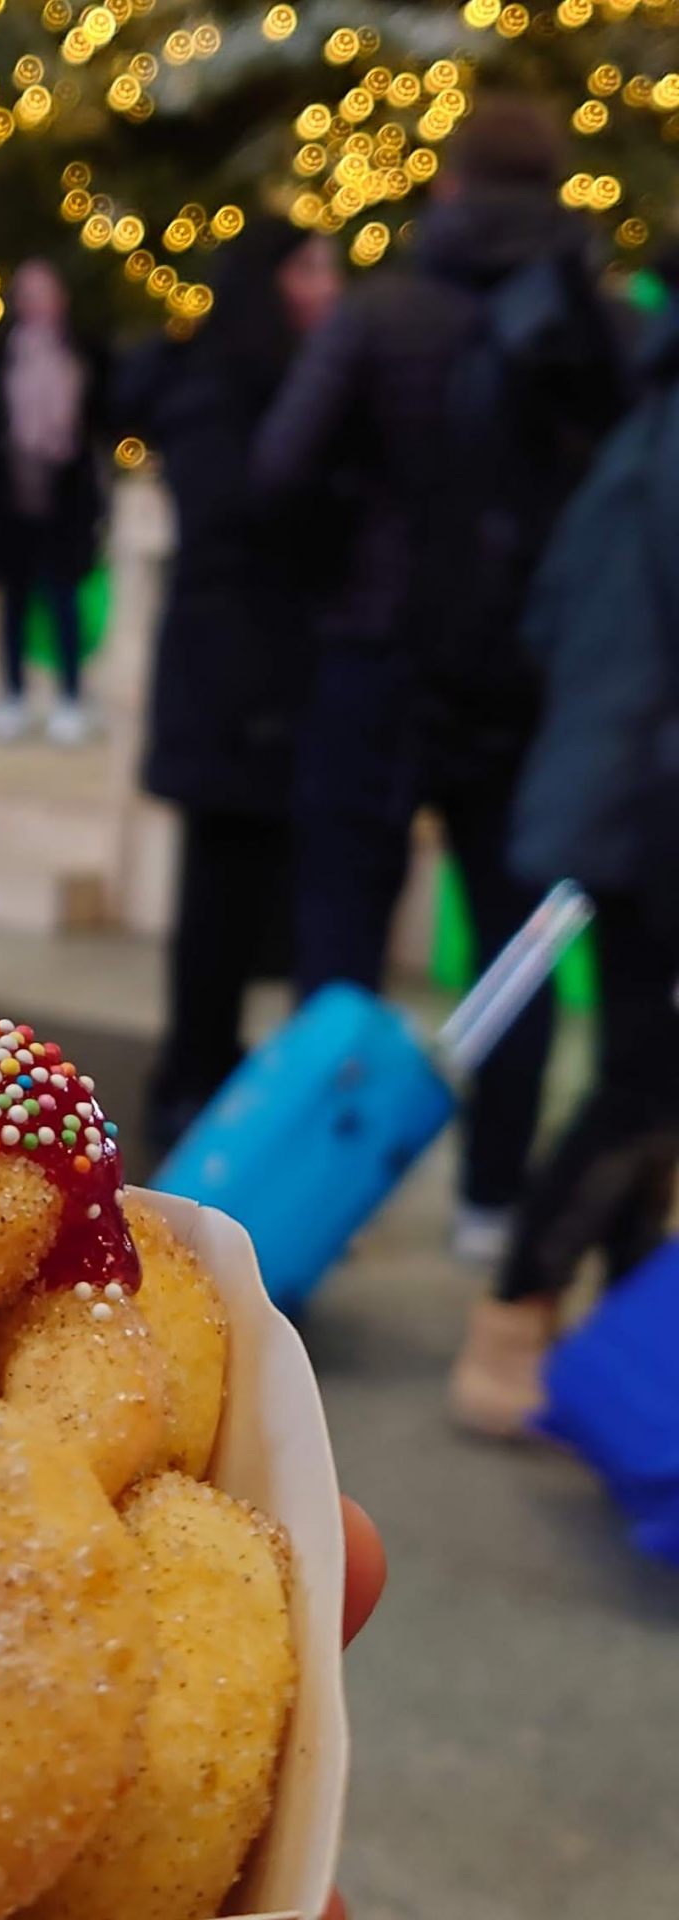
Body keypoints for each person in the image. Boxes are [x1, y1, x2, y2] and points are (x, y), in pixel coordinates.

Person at [254, 95, 625, 1261]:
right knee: (511, 940)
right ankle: (491, 1199)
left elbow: (280, 471)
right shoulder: (601, 327)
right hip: (527, 678)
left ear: (451, 185)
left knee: (341, 927)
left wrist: (343, 567)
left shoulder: (383, 313)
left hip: (375, 657)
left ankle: (313, 1195)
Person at [449, 303, 679, 1436]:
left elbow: (546, 620)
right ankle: (517, 1321)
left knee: (649, 1074)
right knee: (646, 1081)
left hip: (618, 793)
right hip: (648, 807)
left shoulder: (642, 430)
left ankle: (601, 1352)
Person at [130, 220, 343, 1154]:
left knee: (243, 893)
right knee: (217, 896)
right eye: (310, 267)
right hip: (230, 682)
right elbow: (235, 527)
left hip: (257, 679)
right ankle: (191, 1079)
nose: (328, 285)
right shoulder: (220, 392)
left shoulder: (274, 385)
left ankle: (208, 1073)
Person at [0, 260, 103, 746]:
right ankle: (13, 696)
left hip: (65, 504)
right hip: (11, 505)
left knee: (65, 602)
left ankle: (71, 697)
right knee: (13, 604)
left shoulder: (82, 358)